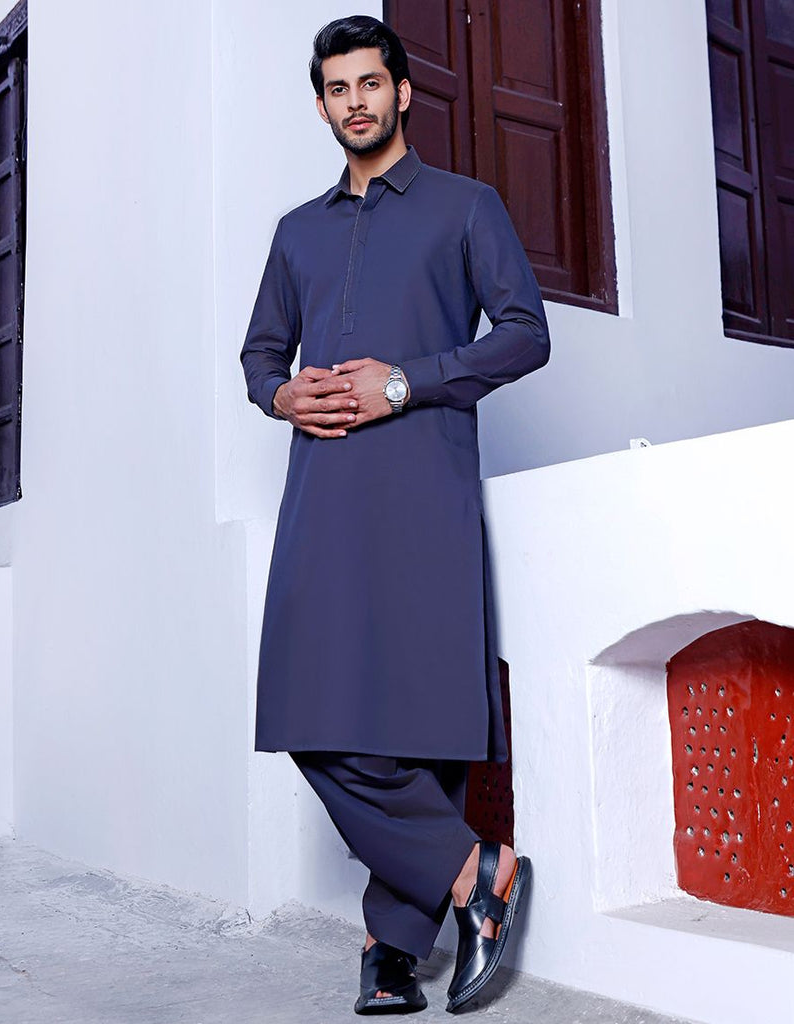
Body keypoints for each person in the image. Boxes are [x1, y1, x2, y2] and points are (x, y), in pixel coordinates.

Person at [240, 14, 551, 1015]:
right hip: (323, 490)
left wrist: (407, 383)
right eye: (337, 88)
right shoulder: (297, 231)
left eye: (370, 82)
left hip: (424, 483)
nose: (355, 102)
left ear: (402, 92)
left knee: (418, 711)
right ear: (322, 104)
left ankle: (390, 946)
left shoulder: (465, 208)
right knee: (308, 707)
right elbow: (259, 354)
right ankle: (474, 875)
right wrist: (280, 394)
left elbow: (524, 332)